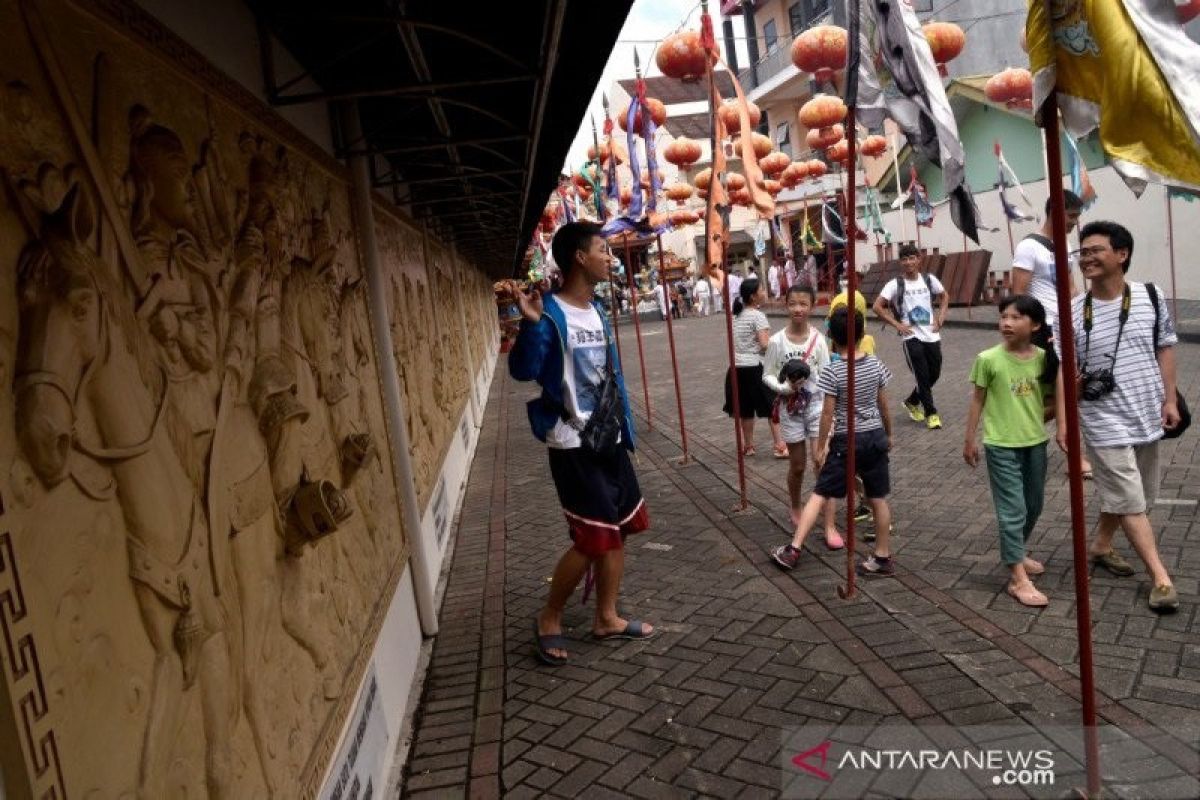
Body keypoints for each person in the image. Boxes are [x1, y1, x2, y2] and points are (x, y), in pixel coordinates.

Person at [507, 221, 654, 665]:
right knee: (593, 538)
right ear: (578, 256)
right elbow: (521, 370)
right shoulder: (548, 312)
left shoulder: (599, 311)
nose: (611, 258)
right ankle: (549, 616)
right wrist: (531, 327)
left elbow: (611, 376)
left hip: (609, 436)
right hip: (572, 442)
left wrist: (626, 427)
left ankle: (605, 617)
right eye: (604, 250)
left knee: (620, 528)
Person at [1054, 221, 1180, 612]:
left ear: (1121, 254)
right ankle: (1160, 577)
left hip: (1145, 410)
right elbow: (1064, 369)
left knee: (1140, 494)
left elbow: (1166, 348)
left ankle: (1101, 545)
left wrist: (1170, 400)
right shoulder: (1071, 311)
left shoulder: (1150, 296)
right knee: (1129, 496)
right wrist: (1064, 421)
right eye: (1082, 252)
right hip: (1100, 416)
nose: (1086, 258)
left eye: (1095, 250)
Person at [771, 308, 895, 575]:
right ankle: (883, 557)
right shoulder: (875, 364)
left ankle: (793, 549)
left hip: (846, 441)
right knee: (878, 498)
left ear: (831, 338)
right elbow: (883, 403)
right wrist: (889, 433)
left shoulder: (833, 370)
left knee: (819, 494)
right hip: (874, 437)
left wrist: (820, 447)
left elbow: (828, 412)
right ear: (863, 334)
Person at [964, 295, 1055, 607]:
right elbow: (977, 400)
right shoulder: (988, 359)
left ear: (1035, 324)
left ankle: (1017, 552)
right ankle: (1017, 577)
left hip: (1035, 442)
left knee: (1034, 505)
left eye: (1016, 317)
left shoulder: (1045, 359)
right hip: (1001, 444)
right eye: (1004, 316)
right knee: (1012, 509)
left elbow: (1050, 401)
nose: (1006, 322)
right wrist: (969, 439)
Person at [1012, 191, 1093, 477]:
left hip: (1066, 326)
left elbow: (1070, 287)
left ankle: (1019, 427)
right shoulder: (1029, 247)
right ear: (1055, 212)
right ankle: (1076, 456)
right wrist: (1025, 334)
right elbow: (1019, 294)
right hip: (1043, 331)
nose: (1075, 222)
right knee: (1068, 389)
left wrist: (1084, 313)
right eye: (1071, 216)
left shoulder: (1064, 244)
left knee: (1063, 394)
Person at [762, 284, 842, 549]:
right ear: (786, 305)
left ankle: (829, 525)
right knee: (797, 465)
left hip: (817, 406)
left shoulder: (818, 340)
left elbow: (829, 376)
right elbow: (768, 374)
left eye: (803, 304)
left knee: (823, 464)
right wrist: (784, 388)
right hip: (789, 408)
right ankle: (795, 504)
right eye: (793, 303)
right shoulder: (776, 341)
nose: (798, 309)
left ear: (812, 306)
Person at [873, 243, 949, 430]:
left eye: (911, 258)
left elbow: (944, 296)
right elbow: (877, 306)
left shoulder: (929, 280)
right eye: (904, 259)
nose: (908, 262)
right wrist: (897, 324)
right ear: (901, 262)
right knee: (922, 376)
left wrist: (941, 317)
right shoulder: (895, 284)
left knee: (935, 373)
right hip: (911, 337)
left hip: (931, 334)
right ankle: (931, 414)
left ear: (918, 259)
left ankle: (912, 401)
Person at [724, 277, 785, 456]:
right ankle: (780, 445)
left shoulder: (736, 315)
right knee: (770, 405)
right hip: (755, 367)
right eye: (762, 290)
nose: (765, 293)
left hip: (736, 368)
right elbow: (765, 344)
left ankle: (749, 446)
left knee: (745, 409)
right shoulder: (758, 316)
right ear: (753, 297)